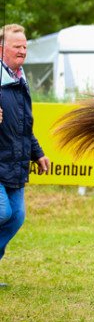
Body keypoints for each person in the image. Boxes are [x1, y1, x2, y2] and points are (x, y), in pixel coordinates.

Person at [0, 24, 50, 286]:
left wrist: (37, 153)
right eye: (16, 46)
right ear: (1, 49)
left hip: (14, 163)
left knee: (16, 216)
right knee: (2, 212)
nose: (22, 51)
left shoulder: (20, 79)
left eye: (25, 47)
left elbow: (24, 126)